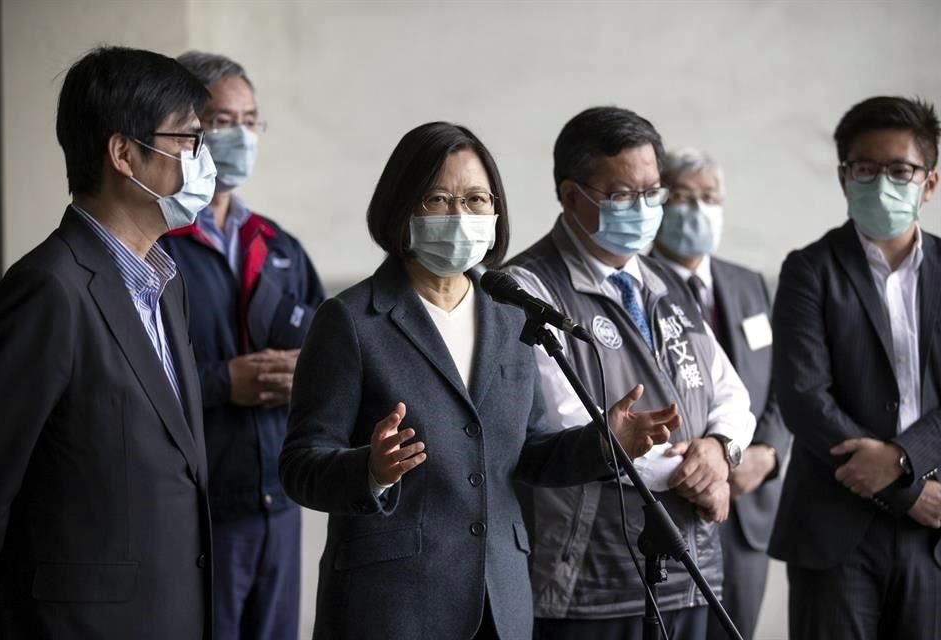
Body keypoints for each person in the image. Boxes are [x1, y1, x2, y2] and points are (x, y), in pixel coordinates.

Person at [278, 121, 682, 639]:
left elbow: (530, 453)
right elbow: (300, 465)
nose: (460, 216)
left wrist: (606, 444)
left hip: (501, 598)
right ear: (402, 209)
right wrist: (371, 470)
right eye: (438, 200)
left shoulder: (511, 314)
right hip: (392, 605)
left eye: (475, 199)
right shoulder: (352, 320)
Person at [0, 46, 216, 639]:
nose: (203, 160)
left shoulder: (166, 285)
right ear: (123, 154)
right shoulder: (48, 289)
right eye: (188, 140)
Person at [505, 106, 756, 640]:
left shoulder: (667, 280)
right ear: (573, 197)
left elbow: (732, 395)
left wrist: (719, 451)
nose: (644, 209)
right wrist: (699, 478)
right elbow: (562, 427)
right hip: (594, 583)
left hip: (691, 570)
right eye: (623, 196)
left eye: (653, 192)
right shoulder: (529, 289)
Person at [161, 50, 325, 640]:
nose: (240, 135)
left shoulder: (277, 246)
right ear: (183, 126)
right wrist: (222, 382)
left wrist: (309, 371)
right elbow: (132, 379)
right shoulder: (157, 248)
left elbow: (333, 354)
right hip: (198, 511)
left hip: (279, 501)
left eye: (249, 120)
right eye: (222, 119)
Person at [770, 96, 941, 640]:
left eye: (900, 170)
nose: (881, 183)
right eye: (865, 169)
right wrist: (906, 489)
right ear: (845, 177)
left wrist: (908, 464)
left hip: (933, 531)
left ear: (929, 182)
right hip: (834, 524)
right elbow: (802, 396)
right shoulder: (808, 270)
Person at [651, 148, 790, 640]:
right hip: (675, 501)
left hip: (747, 508)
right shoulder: (638, 283)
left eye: (708, 198)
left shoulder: (749, 284)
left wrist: (767, 453)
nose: (696, 209)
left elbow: (781, 381)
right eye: (681, 197)